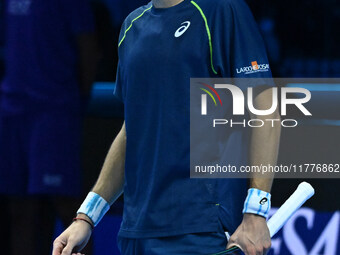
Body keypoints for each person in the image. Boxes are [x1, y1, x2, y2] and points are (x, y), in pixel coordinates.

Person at [52, 0, 281, 254]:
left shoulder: (222, 10)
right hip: (135, 233)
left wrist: (256, 212)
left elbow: (266, 107)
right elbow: (134, 131)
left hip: (201, 231)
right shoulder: (131, 27)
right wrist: (86, 216)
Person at [0, 0, 97, 254]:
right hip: (13, 109)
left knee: (69, 208)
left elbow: (88, 47)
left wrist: (75, 103)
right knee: (19, 209)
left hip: (54, 111)